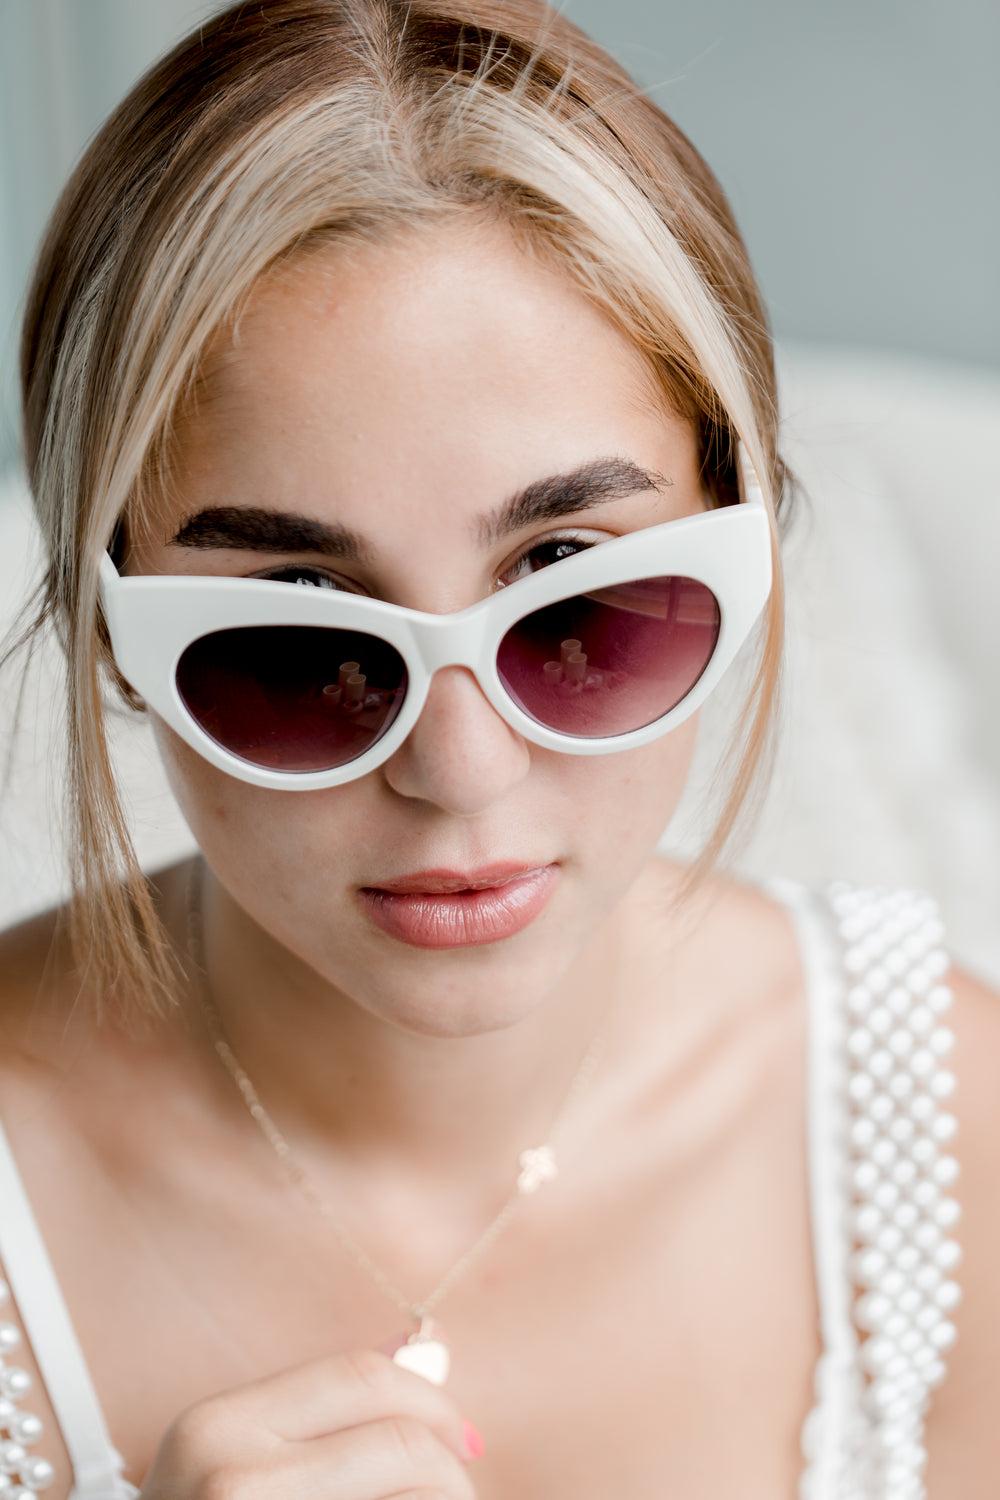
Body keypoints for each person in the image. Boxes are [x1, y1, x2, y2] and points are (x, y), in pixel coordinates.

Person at [1, 1, 997, 1496]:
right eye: (299, 646)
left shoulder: (953, 1138)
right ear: (109, 641)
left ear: (751, 547)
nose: (459, 774)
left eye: (579, 603)